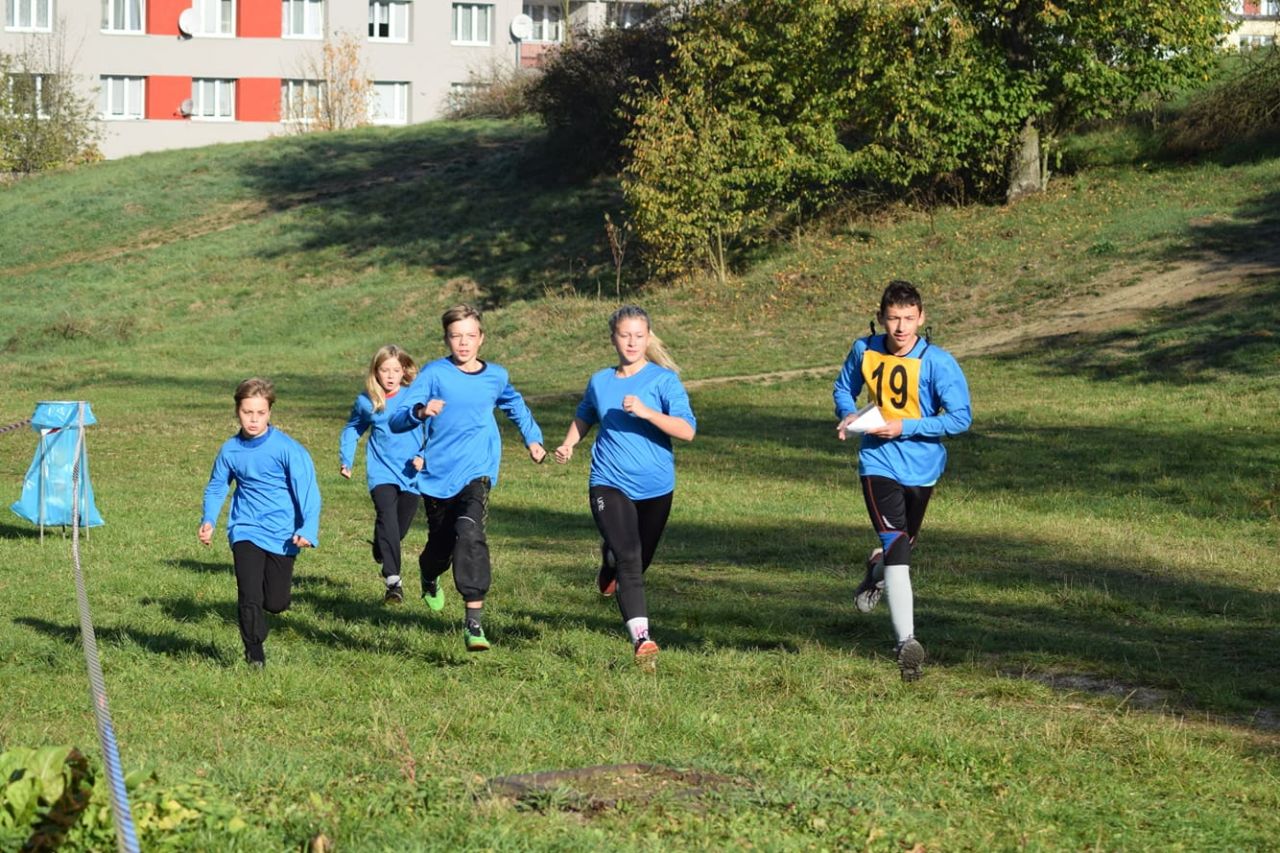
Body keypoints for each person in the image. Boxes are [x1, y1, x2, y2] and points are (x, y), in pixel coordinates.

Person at [833, 280, 971, 681]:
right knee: (897, 545)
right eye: (893, 318)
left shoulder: (938, 362)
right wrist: (849, 414)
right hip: (878, 464)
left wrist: (904, 426)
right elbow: (843, 388)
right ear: (881, 318)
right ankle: (906, 645)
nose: (900, 327)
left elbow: (960, 418)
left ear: (921, 318)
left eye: (909, 318)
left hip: (923, 468)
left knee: (900, 549)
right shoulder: (864, 349)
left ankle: (874, 572)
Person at [390, 304, 546, 652]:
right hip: (436, 476)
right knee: (440, 547)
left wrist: (533, 438)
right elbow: (398, 419)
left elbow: (515, 405)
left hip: (478, 470)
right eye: (455, 336)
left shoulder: (496, 376)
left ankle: (473, 622)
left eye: (470, 336)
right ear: (446, 339)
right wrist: (421, 411)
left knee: (470, 532)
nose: (463, 343)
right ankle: (429, 574)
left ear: (481, 338)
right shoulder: (434, 374)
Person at [554, 305, 696, 669]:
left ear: (648, 338)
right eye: (624, 335)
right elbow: (585, 414)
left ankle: (609, 562)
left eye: (638, 335)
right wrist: (569, 443)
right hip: (608, 481)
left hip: (656, 487)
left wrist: (647, 412)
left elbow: (687, 430)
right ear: (613, 338)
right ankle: (642, 640)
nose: (631, 342)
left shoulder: (664, 381)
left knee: (638, 560)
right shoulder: (600, 381)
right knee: (630, 558)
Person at [199, 378, 321, 669]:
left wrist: (308, 528)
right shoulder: (230, 450)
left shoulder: (287, 449)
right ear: (237, 411)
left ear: (270, 413)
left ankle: (264, 619)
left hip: (283, 533)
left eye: (260, 413)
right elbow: (217, 486)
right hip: (245, 528)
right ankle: (254, 652)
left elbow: (308, 490)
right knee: (249, 592)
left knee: (276, 602)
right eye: (247, 412)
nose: (253, 419)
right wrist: (209, 519)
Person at [340, 344, 426, 605]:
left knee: (397, 530)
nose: (390, 376)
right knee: (387, 517)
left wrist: (424, 455)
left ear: (404, 371)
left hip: (412, 474)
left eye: (395, 370)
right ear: (375, 372)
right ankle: (393, 582)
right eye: (384, 370)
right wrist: (346, 460)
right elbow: (353, 429)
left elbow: (434, 430)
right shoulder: (367, 401)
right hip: (381, 472)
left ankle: (381, 545)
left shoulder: (415, 397)